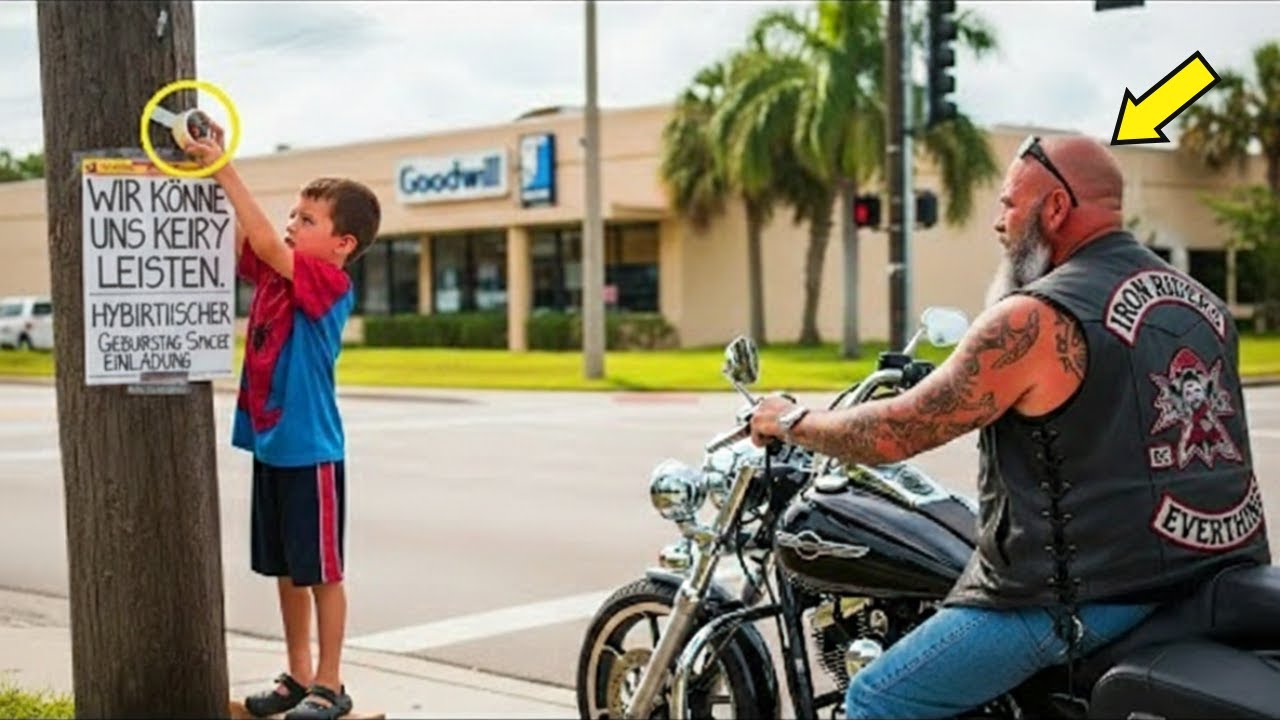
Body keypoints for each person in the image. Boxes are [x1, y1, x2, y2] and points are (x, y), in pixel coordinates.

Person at [750, 134, 1270, 719]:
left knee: (877, 697)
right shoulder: (1205, 305)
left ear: (1055, 207)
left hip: (1084, 597)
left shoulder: (1035, 317)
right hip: (1208, 572)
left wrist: (791, 420)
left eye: (1009, 204)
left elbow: (897, 432)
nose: (999, 223)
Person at [185, 123, 381, 720]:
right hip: (273, 447)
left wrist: (224, 166)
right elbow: (250, 237)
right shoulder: (280, 273)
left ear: (342, 243)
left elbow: (269, 244)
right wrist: (206, 163)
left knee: (322, 574)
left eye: (307, 219)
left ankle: (331, 683)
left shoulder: (328, 282)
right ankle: (298, 674)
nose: (293, 223)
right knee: (288, 570)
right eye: (293, 214)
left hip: (311, 450)